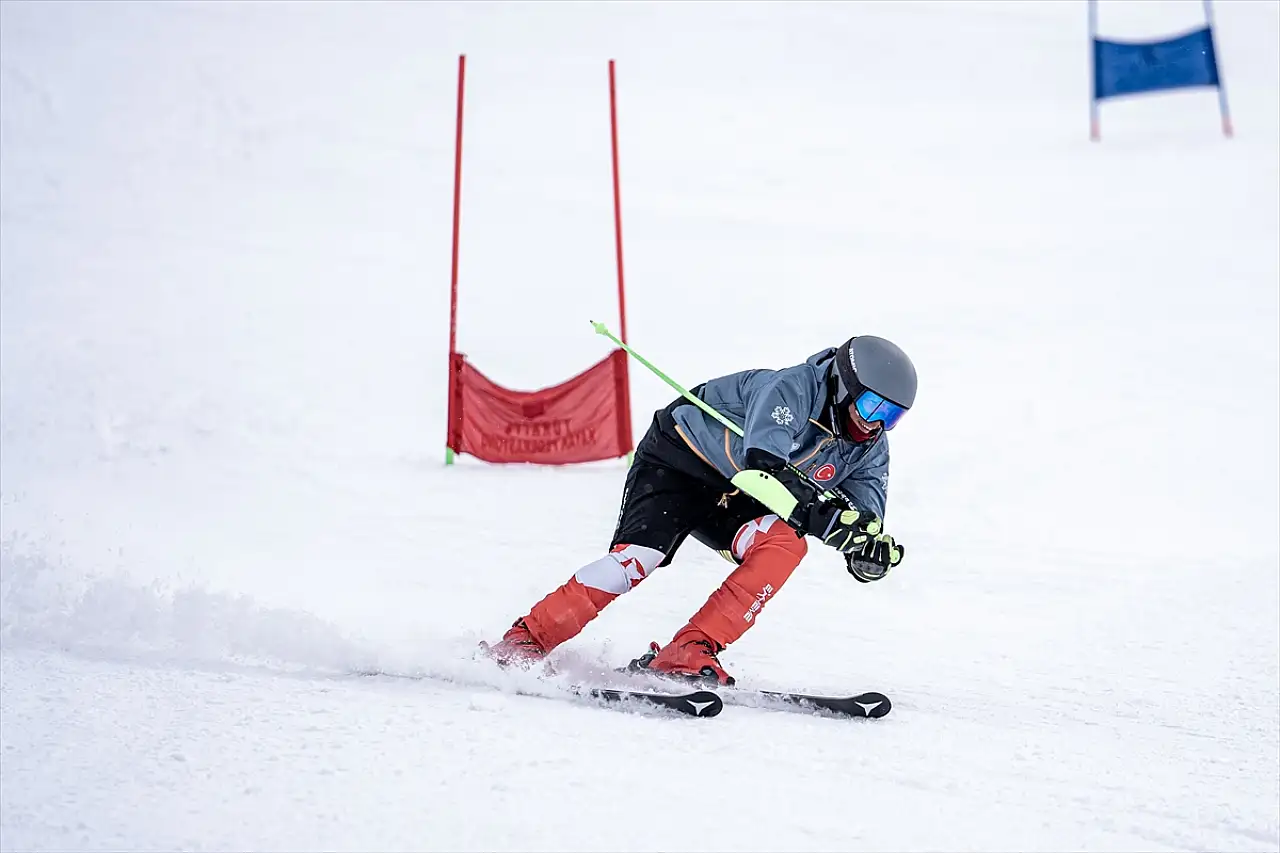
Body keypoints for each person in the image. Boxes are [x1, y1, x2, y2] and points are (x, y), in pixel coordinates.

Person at [482, 335, 916, 686]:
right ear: (844, 387)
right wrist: (823, 521)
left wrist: (868, 553)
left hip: (738, 490)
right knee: (636, 562)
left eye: (892, 416)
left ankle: (688, 649)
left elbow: (863, 521)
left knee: (785, 544)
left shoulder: (870, 449)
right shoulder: (793, 388)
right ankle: (527, 639)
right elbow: (764, 467)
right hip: (680, 461)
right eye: (871, 407)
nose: (875, 424)